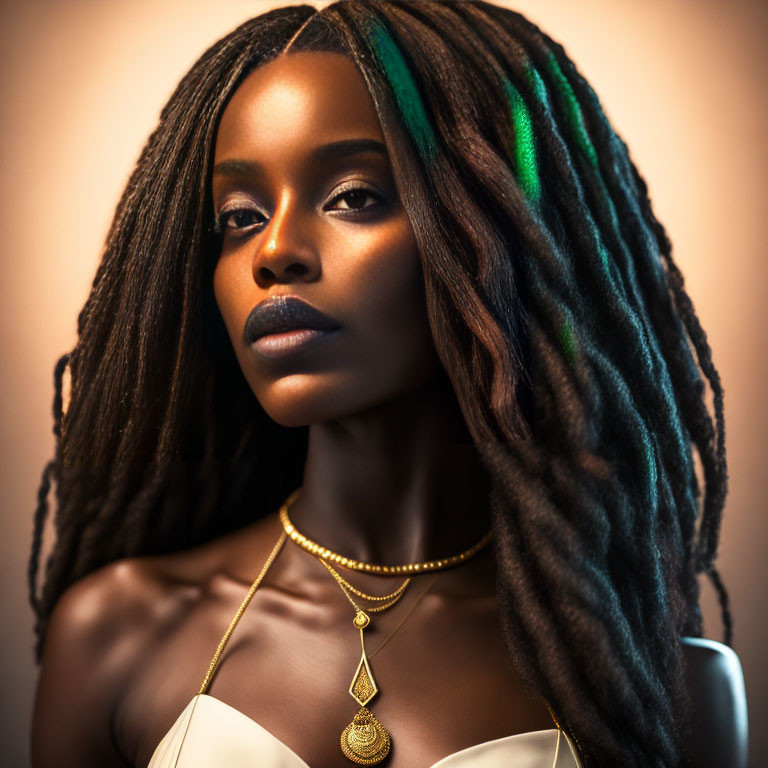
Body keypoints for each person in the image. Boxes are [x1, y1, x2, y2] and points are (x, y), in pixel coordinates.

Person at [28, 2, 747, 766]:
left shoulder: (664, 687)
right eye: (239, 215)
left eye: (355, 197)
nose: (273, 251)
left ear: (499, 230)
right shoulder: (119, 635)